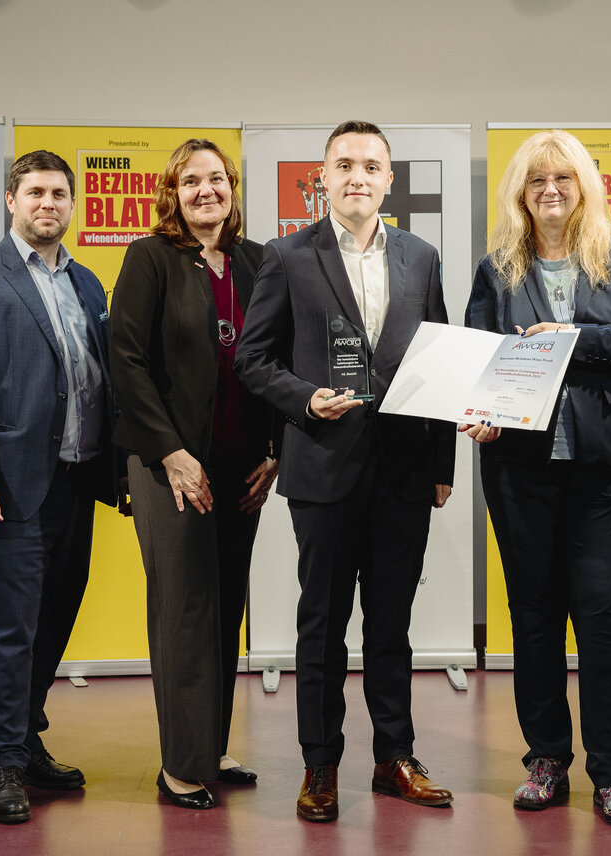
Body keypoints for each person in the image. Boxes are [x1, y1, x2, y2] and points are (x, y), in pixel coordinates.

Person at [235, 120, 456, 823]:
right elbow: (253, 359)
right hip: (323, 468)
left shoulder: (422, 257)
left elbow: (443, 361)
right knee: (321, 625)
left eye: (371, 165)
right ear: (321, 179)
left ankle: (395, 758)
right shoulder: (288, 256)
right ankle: (320, 766)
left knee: (392, 626)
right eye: (344, 164)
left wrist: (443, 463)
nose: (358, 175)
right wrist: (304, 399)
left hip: (404, 471)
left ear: (390, 180)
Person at [463, 130, 611, 825]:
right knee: (534, 614)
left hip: (604, 471)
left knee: (604, 615)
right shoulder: (496, 270)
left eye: (563, 179)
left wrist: (568, 339)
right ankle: (547, 759)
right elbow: (479, 357)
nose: (550, 191)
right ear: (519, 194)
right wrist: (482, 410)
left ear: (584, 187)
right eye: (535, 181)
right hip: (519, 469)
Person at [0, 150, 120, 824]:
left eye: (60, 194)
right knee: (11, 629)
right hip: (9, 488)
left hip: (77, 483)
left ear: (72, 205)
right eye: (36, 192)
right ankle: (3, 764)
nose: (48, 204)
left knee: (54, 621)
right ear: (12, 200)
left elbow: (103, 381)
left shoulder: (89, 284)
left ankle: (27, 736)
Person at [108, 139, 278, 810]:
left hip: (243, 465)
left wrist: (276, 449)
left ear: (232, 188)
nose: (206, 190)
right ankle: (180, 765)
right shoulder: (150, 258)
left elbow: (276, 358)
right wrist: (172, 454)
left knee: (224, 606)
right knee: (183, 609)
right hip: (167, 463)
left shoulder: (257, 260)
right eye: (191, 180)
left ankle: (210, 746)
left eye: (217, 179)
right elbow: (126, 360)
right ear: (172, 193)